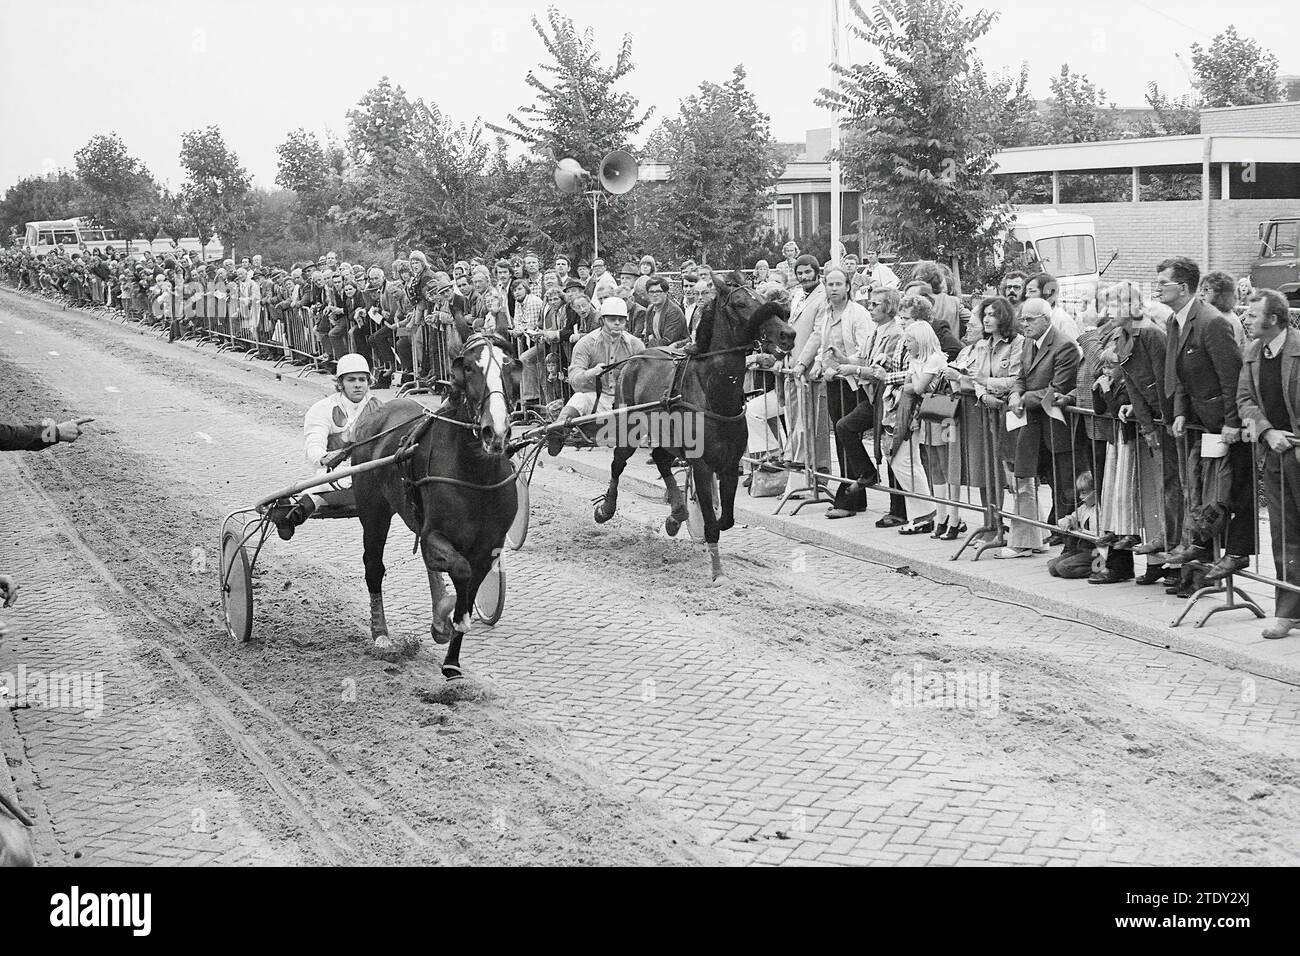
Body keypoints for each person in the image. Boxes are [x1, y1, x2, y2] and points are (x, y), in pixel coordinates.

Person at [1159, 256, 1253, 594]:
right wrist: (1181, 411)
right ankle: (1199, 554)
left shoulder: (1212, 322)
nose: (1157, 287)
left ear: (1183, 287)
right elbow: (1180, 374)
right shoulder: (1175, 320)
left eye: (1163, 282)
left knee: (1225, 492)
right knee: (1197, 488)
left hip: (1223, 426)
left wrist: (1231, 423)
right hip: (1200, 423)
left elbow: (1232, 378)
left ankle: (1226, 559)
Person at [1237, 289, 1300, 639]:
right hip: (1277, 455)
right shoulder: (1253, 352)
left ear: (1273, 319)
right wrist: (1267, 432)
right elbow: (1244, 399)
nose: (1246, 317)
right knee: (1284, 534)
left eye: (1252, 313)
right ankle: (1288, 612)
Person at [267, 354, 383, 540]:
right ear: (340, 383)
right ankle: (290, 514)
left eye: (362, 379)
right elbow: (314, 442)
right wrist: (322, 457)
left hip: (371, 471)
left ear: (369, 382)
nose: (358, 385)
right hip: (337, 471)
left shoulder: (379, 408)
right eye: (351, 380)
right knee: (320, 493)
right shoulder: (323, 409)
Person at [999, 299, 1081, 559]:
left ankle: (1072, 543)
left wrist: (1023, 399)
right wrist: (1014, 394)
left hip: (1056, 428)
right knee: (1029, 479)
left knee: (1065, 486)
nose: (1024, 324)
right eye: (1022, 319)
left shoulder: (1064, 345)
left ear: (1046, 318)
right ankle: (1039, 536)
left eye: (1030, 319)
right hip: (1033, 426)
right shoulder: (1027, 343)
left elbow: (1057, 388)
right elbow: (1021, 376)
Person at [826, 287, 906, 519]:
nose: (870, 308)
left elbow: (883, 369)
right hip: (873, 397)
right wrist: (843, 359)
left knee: (891, 450)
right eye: (870, 304)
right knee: (844, 426)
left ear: (888, 307)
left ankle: (898, 510)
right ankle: (868, 471)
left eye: (875, 304)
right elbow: (864, 357)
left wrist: (855, 369)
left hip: (888, 398)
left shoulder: (895, 334)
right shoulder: (876, 331)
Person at [793, 267, 872, 497]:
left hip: (855, 384)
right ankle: (849, 487)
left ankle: (853, 491)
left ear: (848, 286)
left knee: (848, 433)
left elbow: (865, 351)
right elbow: (823, 344)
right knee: (839, 436)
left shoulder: (857, 314)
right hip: (835, 383)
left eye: (839, 284)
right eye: (830, 284)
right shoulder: (827, 314)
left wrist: (839, 366)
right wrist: (818, 363)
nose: (834, 289)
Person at [546, 296, 646, 456]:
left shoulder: (636, 345)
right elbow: (574, 377)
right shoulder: (586, 343)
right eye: (612, 319)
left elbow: (645, 377)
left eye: (621, 320)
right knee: (579, 398)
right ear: (602, 320)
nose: (617, 324)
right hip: (597, 399)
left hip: (627, 404)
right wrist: (590, 373)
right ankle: (558, 432)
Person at [637, 276, 687, 347]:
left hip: (674, 352)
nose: (654, 295)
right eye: (651, 292)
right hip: (657, 350)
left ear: (666, 293)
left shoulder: (673, 312)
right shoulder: (650, 310)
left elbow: (668, 341)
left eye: (658, 291)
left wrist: (651, 340)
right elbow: (648, 336)